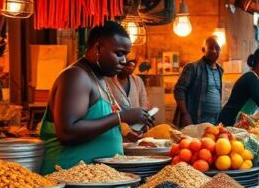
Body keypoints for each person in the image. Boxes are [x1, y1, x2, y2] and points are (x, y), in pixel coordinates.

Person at [40, 22, 153, 172]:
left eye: (125, 55)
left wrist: (129, 131)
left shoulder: (99, 78)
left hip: (94, 179)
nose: (124, 60)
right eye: (119, 53)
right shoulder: (76, 76)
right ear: (98, 48)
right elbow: (67, 132)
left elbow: (96, 126)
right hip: (70, 177)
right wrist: (121, 117)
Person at [174, 37, 224, 126]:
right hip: (196, 121)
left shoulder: (220, 70)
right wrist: (184, 114)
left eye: (217, 48)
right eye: (211, 48)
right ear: (203, 49)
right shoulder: (193, 68)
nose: (214, 51)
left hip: (214, 122)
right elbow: (179, 90)